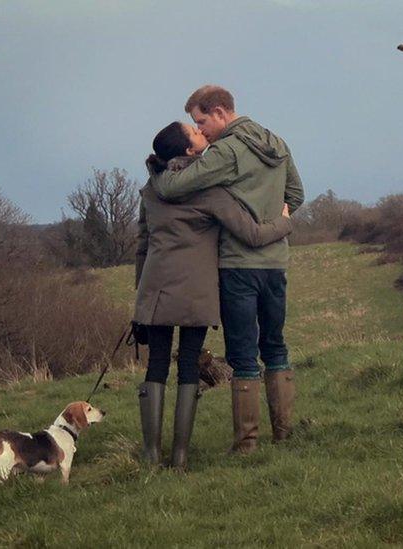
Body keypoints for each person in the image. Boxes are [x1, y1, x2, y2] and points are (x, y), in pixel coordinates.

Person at [150, 85, 304, 454]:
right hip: (275, 263)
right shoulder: (277, 143)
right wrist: (276, 220)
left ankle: (246, 444)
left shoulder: (227, 151)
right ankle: (284, 434)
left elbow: (176, 187)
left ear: (220, 112)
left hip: (238, 263)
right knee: (276, 346)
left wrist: (156, 173)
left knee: (242, 352)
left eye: (201, 121)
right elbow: (296, 195)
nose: (200, 131)